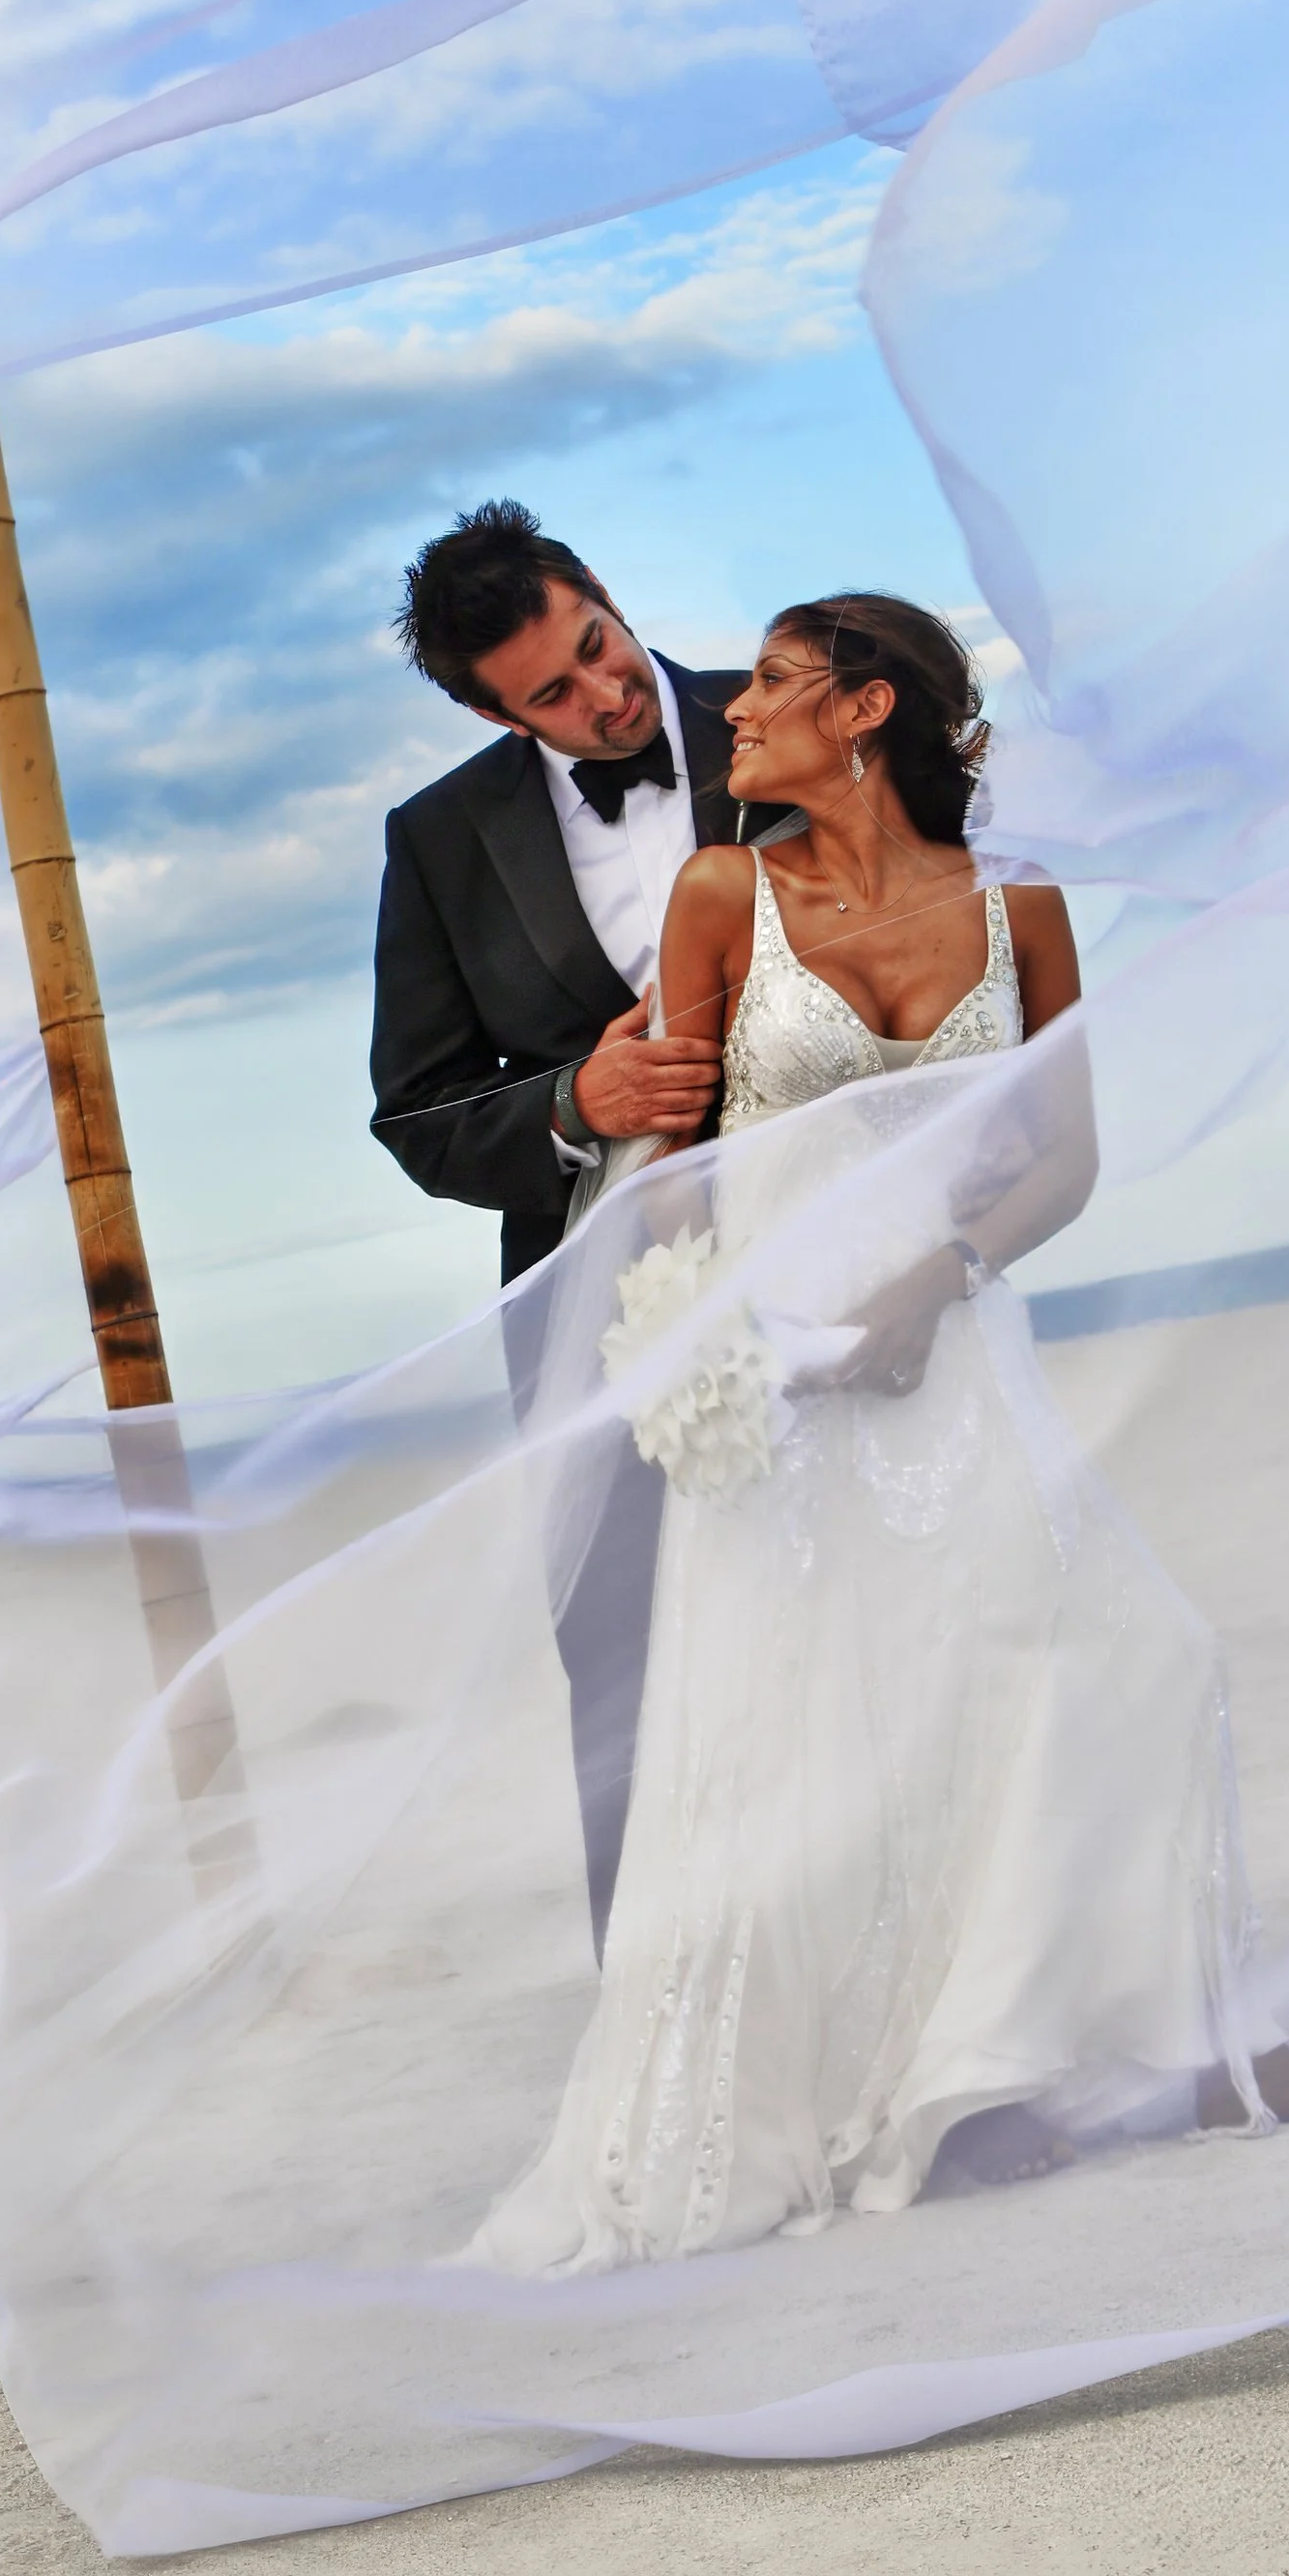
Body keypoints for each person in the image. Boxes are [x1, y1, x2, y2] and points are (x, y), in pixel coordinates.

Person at [471, 594, 1289, 2273]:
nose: (732, 709)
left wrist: (933, 1279)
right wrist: (692, 1363)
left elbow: (1060, 1155)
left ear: (867, 708)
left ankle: (1212, 2049)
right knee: (815, 1740)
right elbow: (662, 1171)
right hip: (770, 1380)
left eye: (771, 681)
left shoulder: (1019, 904)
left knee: (1134, 1655)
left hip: (957, 1337)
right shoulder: (718, 895)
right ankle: (951, 2095)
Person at [370, 499, 795, 1948]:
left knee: (864, 1611)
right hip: (593, 1316)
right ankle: (663, 2016)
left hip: (837, 1247)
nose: (602, 694)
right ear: (497, 712)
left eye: (599, 647)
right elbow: (417, 1114)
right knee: (621, 1658)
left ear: (607, 593)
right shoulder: (436, 843)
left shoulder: (791, 712)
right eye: (550, 693)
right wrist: (575, 1096)